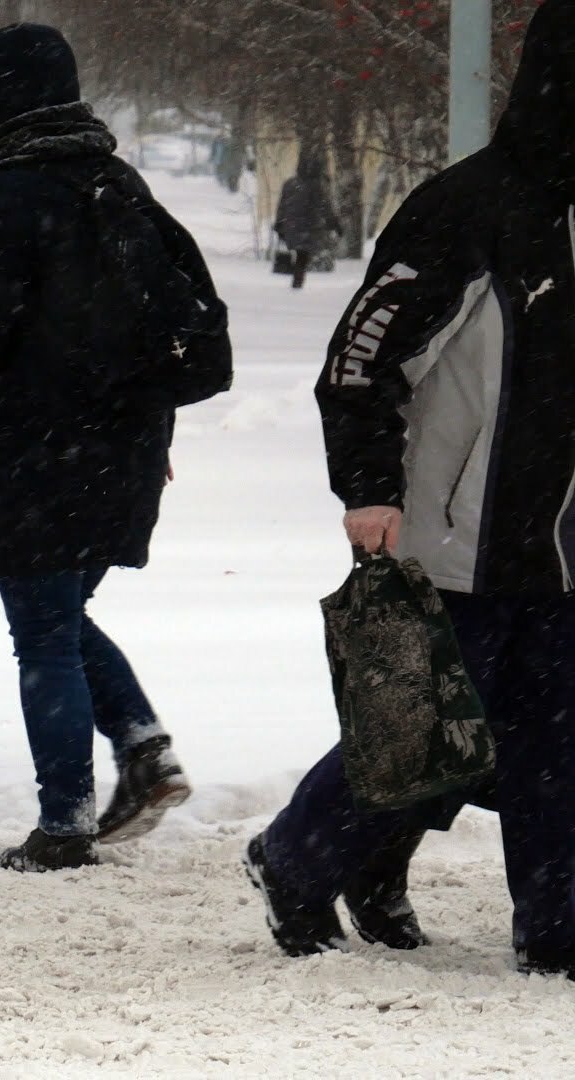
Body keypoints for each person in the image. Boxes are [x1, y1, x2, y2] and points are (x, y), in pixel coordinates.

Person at [246, 0, 575, 975]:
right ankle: (296, 862)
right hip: (449, 535)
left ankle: (558, 932)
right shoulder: (468, 208)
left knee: (557, 751)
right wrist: (368, 488)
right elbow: (359, 361)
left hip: (561, 551)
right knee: (414, 734)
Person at [0, 24, 204, 874]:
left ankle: (65, 823)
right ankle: (143, 751)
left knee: (43, 635)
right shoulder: (120, 184)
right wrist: (152, 428)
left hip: (41, 449)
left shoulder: (9, 198)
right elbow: (167, 323)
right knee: (59, 620)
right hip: (124, 448)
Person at [273, 155, 341, 289]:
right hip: (308, 228)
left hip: (290, 226)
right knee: (302, 255)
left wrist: (279, 224)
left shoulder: (289, 184)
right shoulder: (316, 186)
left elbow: (282, 206)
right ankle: (297, 282)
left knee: (299, 254)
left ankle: (296, 279)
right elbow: (324, 207)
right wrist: (334, 223)